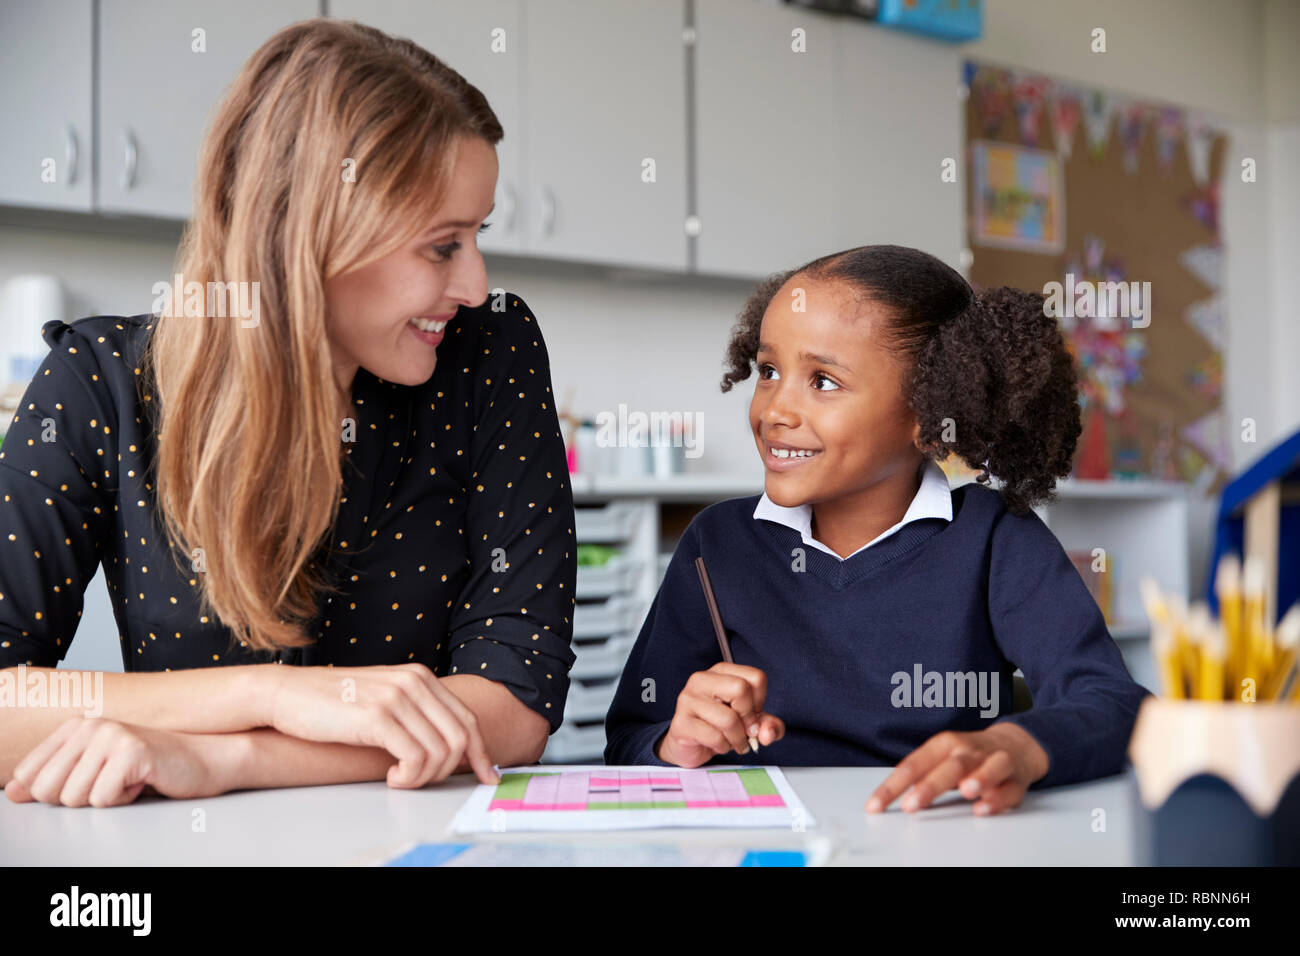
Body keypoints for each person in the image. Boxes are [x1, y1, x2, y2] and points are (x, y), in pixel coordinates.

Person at [0, 19, 575, 807]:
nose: (475, 283)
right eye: (443, 246)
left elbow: (515, 703)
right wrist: (265, 695)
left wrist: (225, 760)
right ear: (314, 237)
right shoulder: (99, 383)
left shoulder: (491, 353)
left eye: (478, 235)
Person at [603, 244, 1153, 816]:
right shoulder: (715, 544)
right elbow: (628, 739)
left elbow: (1114, 703)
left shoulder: (995, 541)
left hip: (930, 835)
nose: (775, 409)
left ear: (930, 412)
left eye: (823, 381)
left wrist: (1014, 744)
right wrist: (676, 743)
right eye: (768, 371)